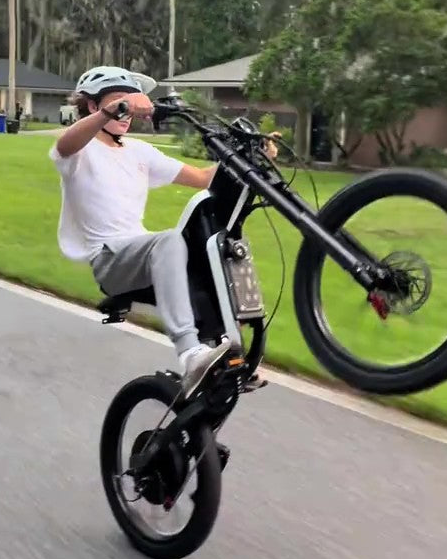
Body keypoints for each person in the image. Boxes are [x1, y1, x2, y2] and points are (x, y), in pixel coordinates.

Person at [50, 66, 277, 398]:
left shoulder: (138, 152)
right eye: (117, 101)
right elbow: (65, 144)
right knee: (169, 240)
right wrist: (110, 111)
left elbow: (202, 177)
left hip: (140, 253)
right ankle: (190, 354)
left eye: (129, 102)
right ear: (91, 104)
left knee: (211, 251)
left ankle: (227, 355)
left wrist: (250, 159)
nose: (125, 110)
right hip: (110, 259)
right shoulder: (79, 151)